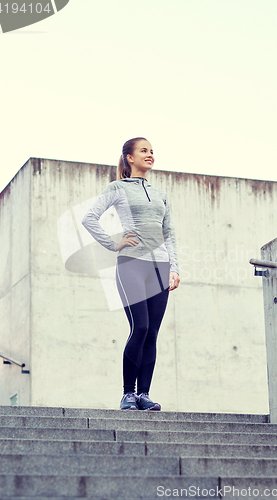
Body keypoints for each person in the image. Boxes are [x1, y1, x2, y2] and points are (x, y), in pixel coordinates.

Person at [82, 137, 180, 411]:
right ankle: (128, 394)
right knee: (141, 326)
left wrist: (175, 268)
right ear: (129, 158)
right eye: (144, 151)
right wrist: (114, 244)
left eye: (152, 151)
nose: (150, 155)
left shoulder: (161, 194)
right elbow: (89, 218)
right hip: (131, 265)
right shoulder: (117, 188)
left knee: (153, 334)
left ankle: (144, 395)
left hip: (160, 268)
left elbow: (169, 233)